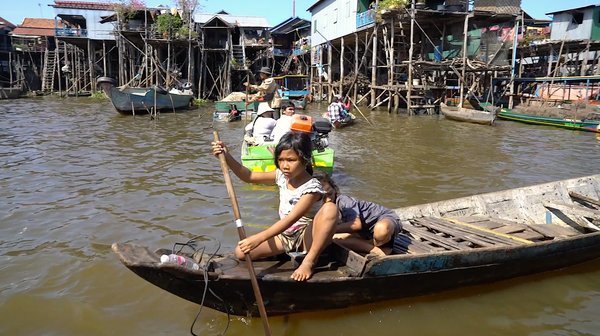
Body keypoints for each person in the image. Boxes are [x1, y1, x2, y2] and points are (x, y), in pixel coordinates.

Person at [212, 132, 338, 281]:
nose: (285, 165)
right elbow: (249, 176)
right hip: (286, 235)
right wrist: (227, 157)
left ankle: (309, 260)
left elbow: (291, 219)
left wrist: (259, 238)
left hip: (306, 236)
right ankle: (285, 252)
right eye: (281, 160)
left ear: (305, 160)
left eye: (291, 160)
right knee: (241, 252)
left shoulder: (312, 188)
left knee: (330, 209)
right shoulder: (281, 176)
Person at [314, 171, 402, 256]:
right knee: (330, 240)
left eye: (330, 194)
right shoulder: (316, 207)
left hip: (384, 218)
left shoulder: (343, 201)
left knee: (381, 230)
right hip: (365, 231)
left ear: (334, 190)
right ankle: (373, 247)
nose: (328, 199)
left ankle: (381, 246)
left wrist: (330, 229)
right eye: (322, 197)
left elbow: (356, 224)